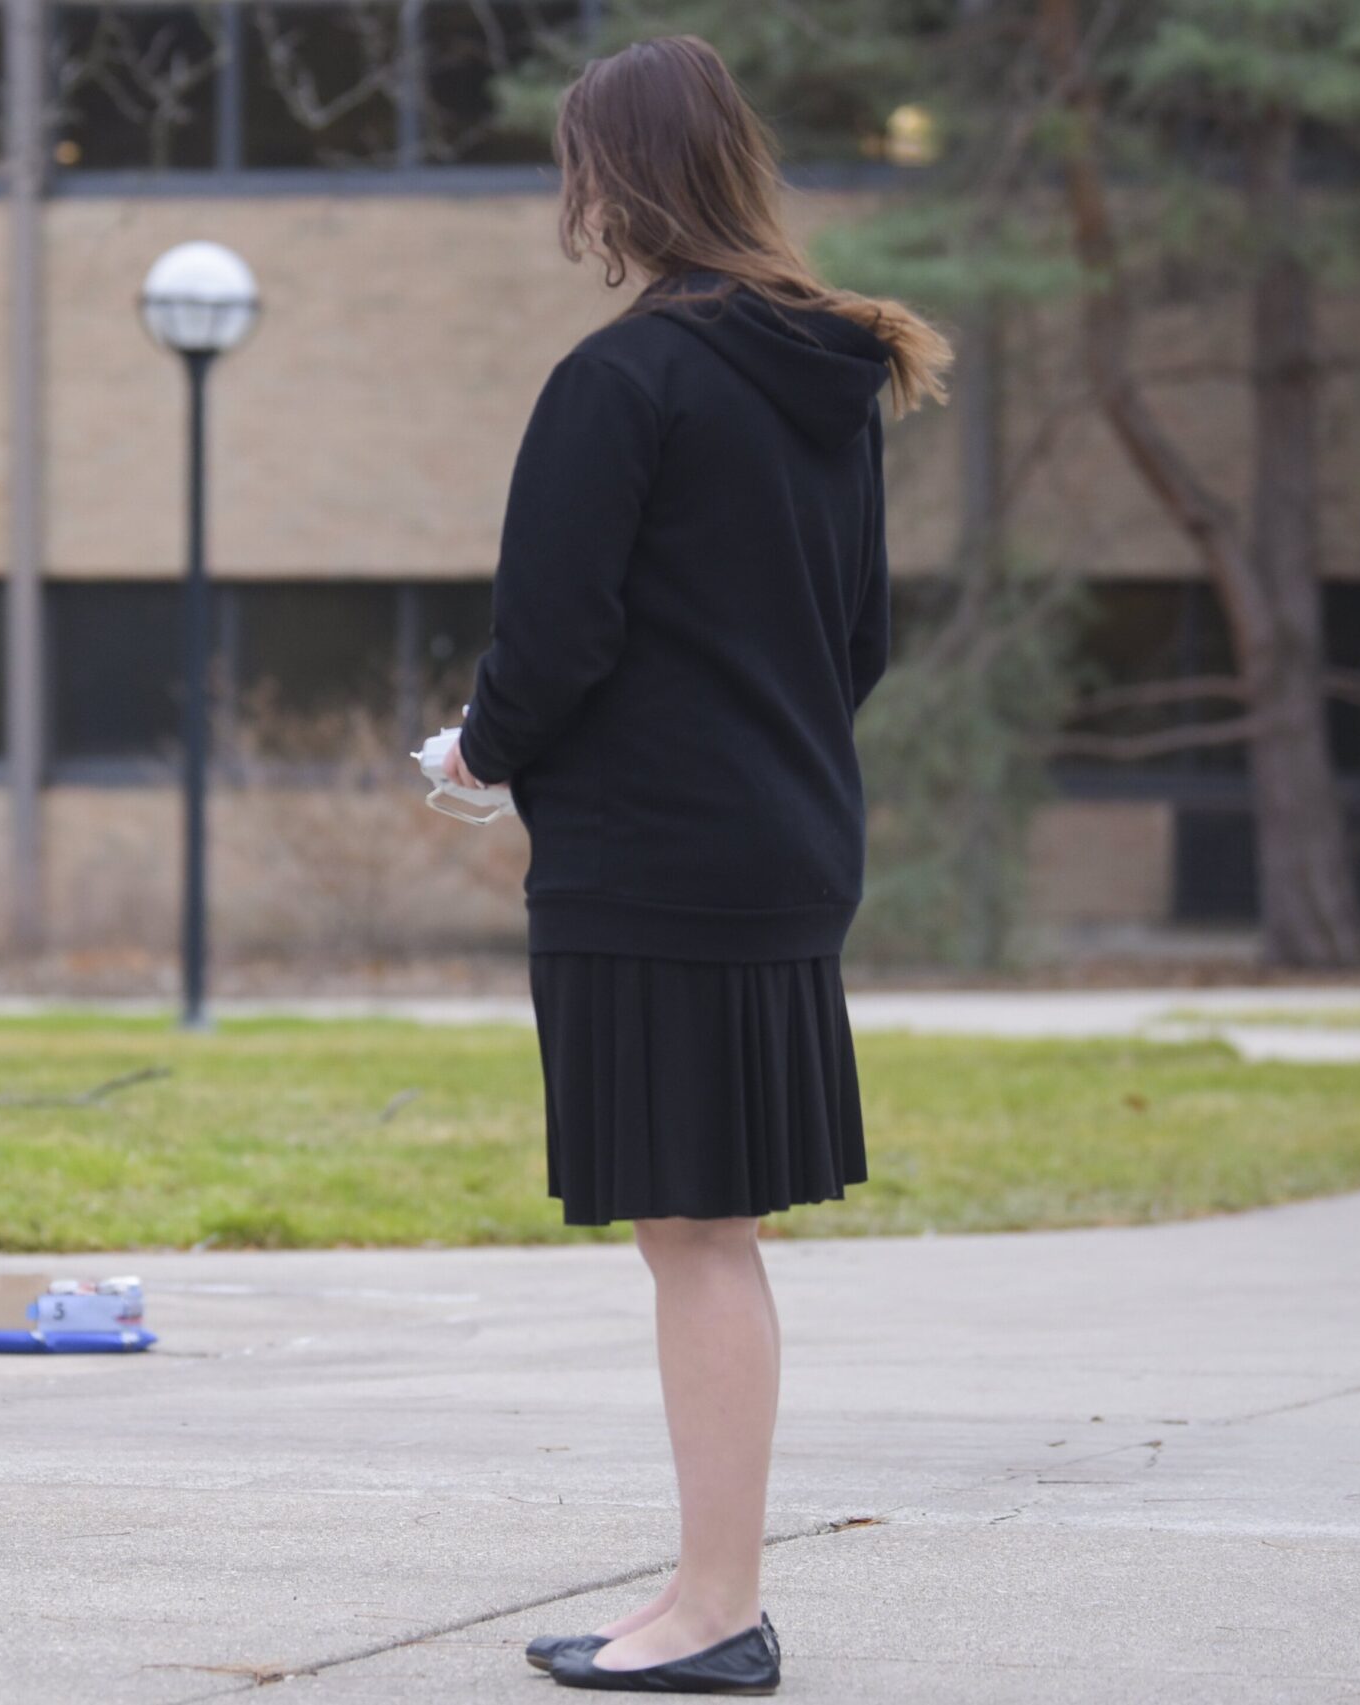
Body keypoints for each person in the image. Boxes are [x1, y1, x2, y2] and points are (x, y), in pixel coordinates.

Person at [441, 34, 951, 1697]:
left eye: (577, 167)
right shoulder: (829, 379)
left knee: (695, 1236)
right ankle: (706, 1590)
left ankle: (717, 1607)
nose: (568, 198)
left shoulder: (625, 379)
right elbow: (856, 638)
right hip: (787, 843)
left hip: (653, 862)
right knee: (710, 1232)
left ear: (617, 178)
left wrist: (478, 752)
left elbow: (555, 635)